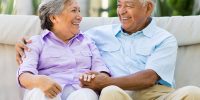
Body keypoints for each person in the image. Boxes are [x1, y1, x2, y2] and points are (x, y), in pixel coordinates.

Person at [16, 0, 200, 100]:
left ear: (148, 7)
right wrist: (24, 43)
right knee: (110, 93)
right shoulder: (97, 34)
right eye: (119, 5)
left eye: (129, 5)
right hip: (117, 94)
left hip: (155, 94)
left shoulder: (165, 39)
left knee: (193, 92)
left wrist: (102, 80)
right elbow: (60, 34)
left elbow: (149, 77)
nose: (121, 11)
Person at [16, 0, 110, 100]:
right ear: (53, 17)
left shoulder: (88, 42)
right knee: (38, 92)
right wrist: (39, 81)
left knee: (86, 95)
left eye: (79, 11)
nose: (80, 17)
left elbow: (101, 70)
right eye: (74, 11)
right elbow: (24, 76)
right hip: (49, 92)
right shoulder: (35, 42)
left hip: (80, 91)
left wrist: (97, 77)